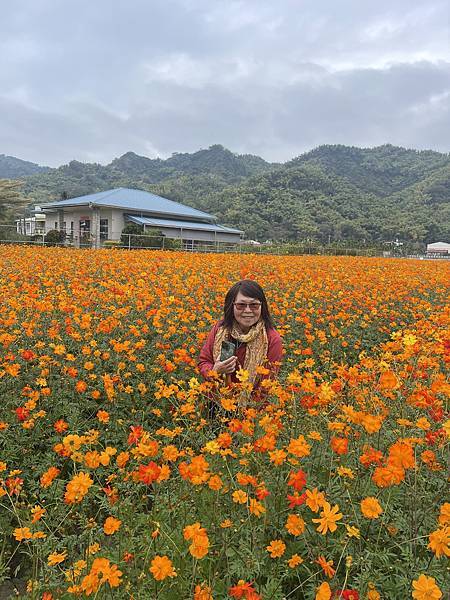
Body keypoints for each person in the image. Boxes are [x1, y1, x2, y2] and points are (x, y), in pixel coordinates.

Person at [198, 280, 283, 396]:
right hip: (216, 400)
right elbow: (204, 362)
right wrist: (214, 371)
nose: (247, 310)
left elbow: (267, 386)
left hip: (251, 409)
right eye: (241, 305)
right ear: (231, 306)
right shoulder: (219, 329)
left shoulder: (272, 339)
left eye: (254, 305)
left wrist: (245, 411)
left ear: (262, 307)